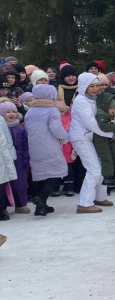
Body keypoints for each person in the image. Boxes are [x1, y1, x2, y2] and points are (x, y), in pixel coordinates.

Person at [69, 74, 115, 213]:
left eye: (97, 86)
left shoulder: (93, 99)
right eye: (91, 86)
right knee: (93, 169)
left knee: (99, 166)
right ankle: (84, 203)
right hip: (81, 138)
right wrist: (110, 133)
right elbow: (92, 123)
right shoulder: (81, 101)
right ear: (84, 87)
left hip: (90, 137)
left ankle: (100, 197)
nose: (95, 89)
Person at [25, 84, 70, 214]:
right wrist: (65, 136)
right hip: (49, 146)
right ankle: (40, 198)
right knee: (53, 174)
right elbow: (56, 128)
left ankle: (41, 207)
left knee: (41, 175)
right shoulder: (52, 110)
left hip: (34, 147)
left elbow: (28, 129)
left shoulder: (30, 111)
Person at [0, 102, 30, 214]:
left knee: (20, 183)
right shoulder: (2, 127)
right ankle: (3, 207)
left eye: (13, 111)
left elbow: (26, 145)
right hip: (4, 160)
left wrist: (26, 157)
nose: (11, 114)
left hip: (19, 159)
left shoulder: (21, 128)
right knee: (4, 185)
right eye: (7, 112)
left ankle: (21, 204)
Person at [0, 114, 17, 221]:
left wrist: (11, 154)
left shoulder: (1, 119)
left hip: (3, 155)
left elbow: (7, 137)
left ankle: (1, 209)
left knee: (3, 184)